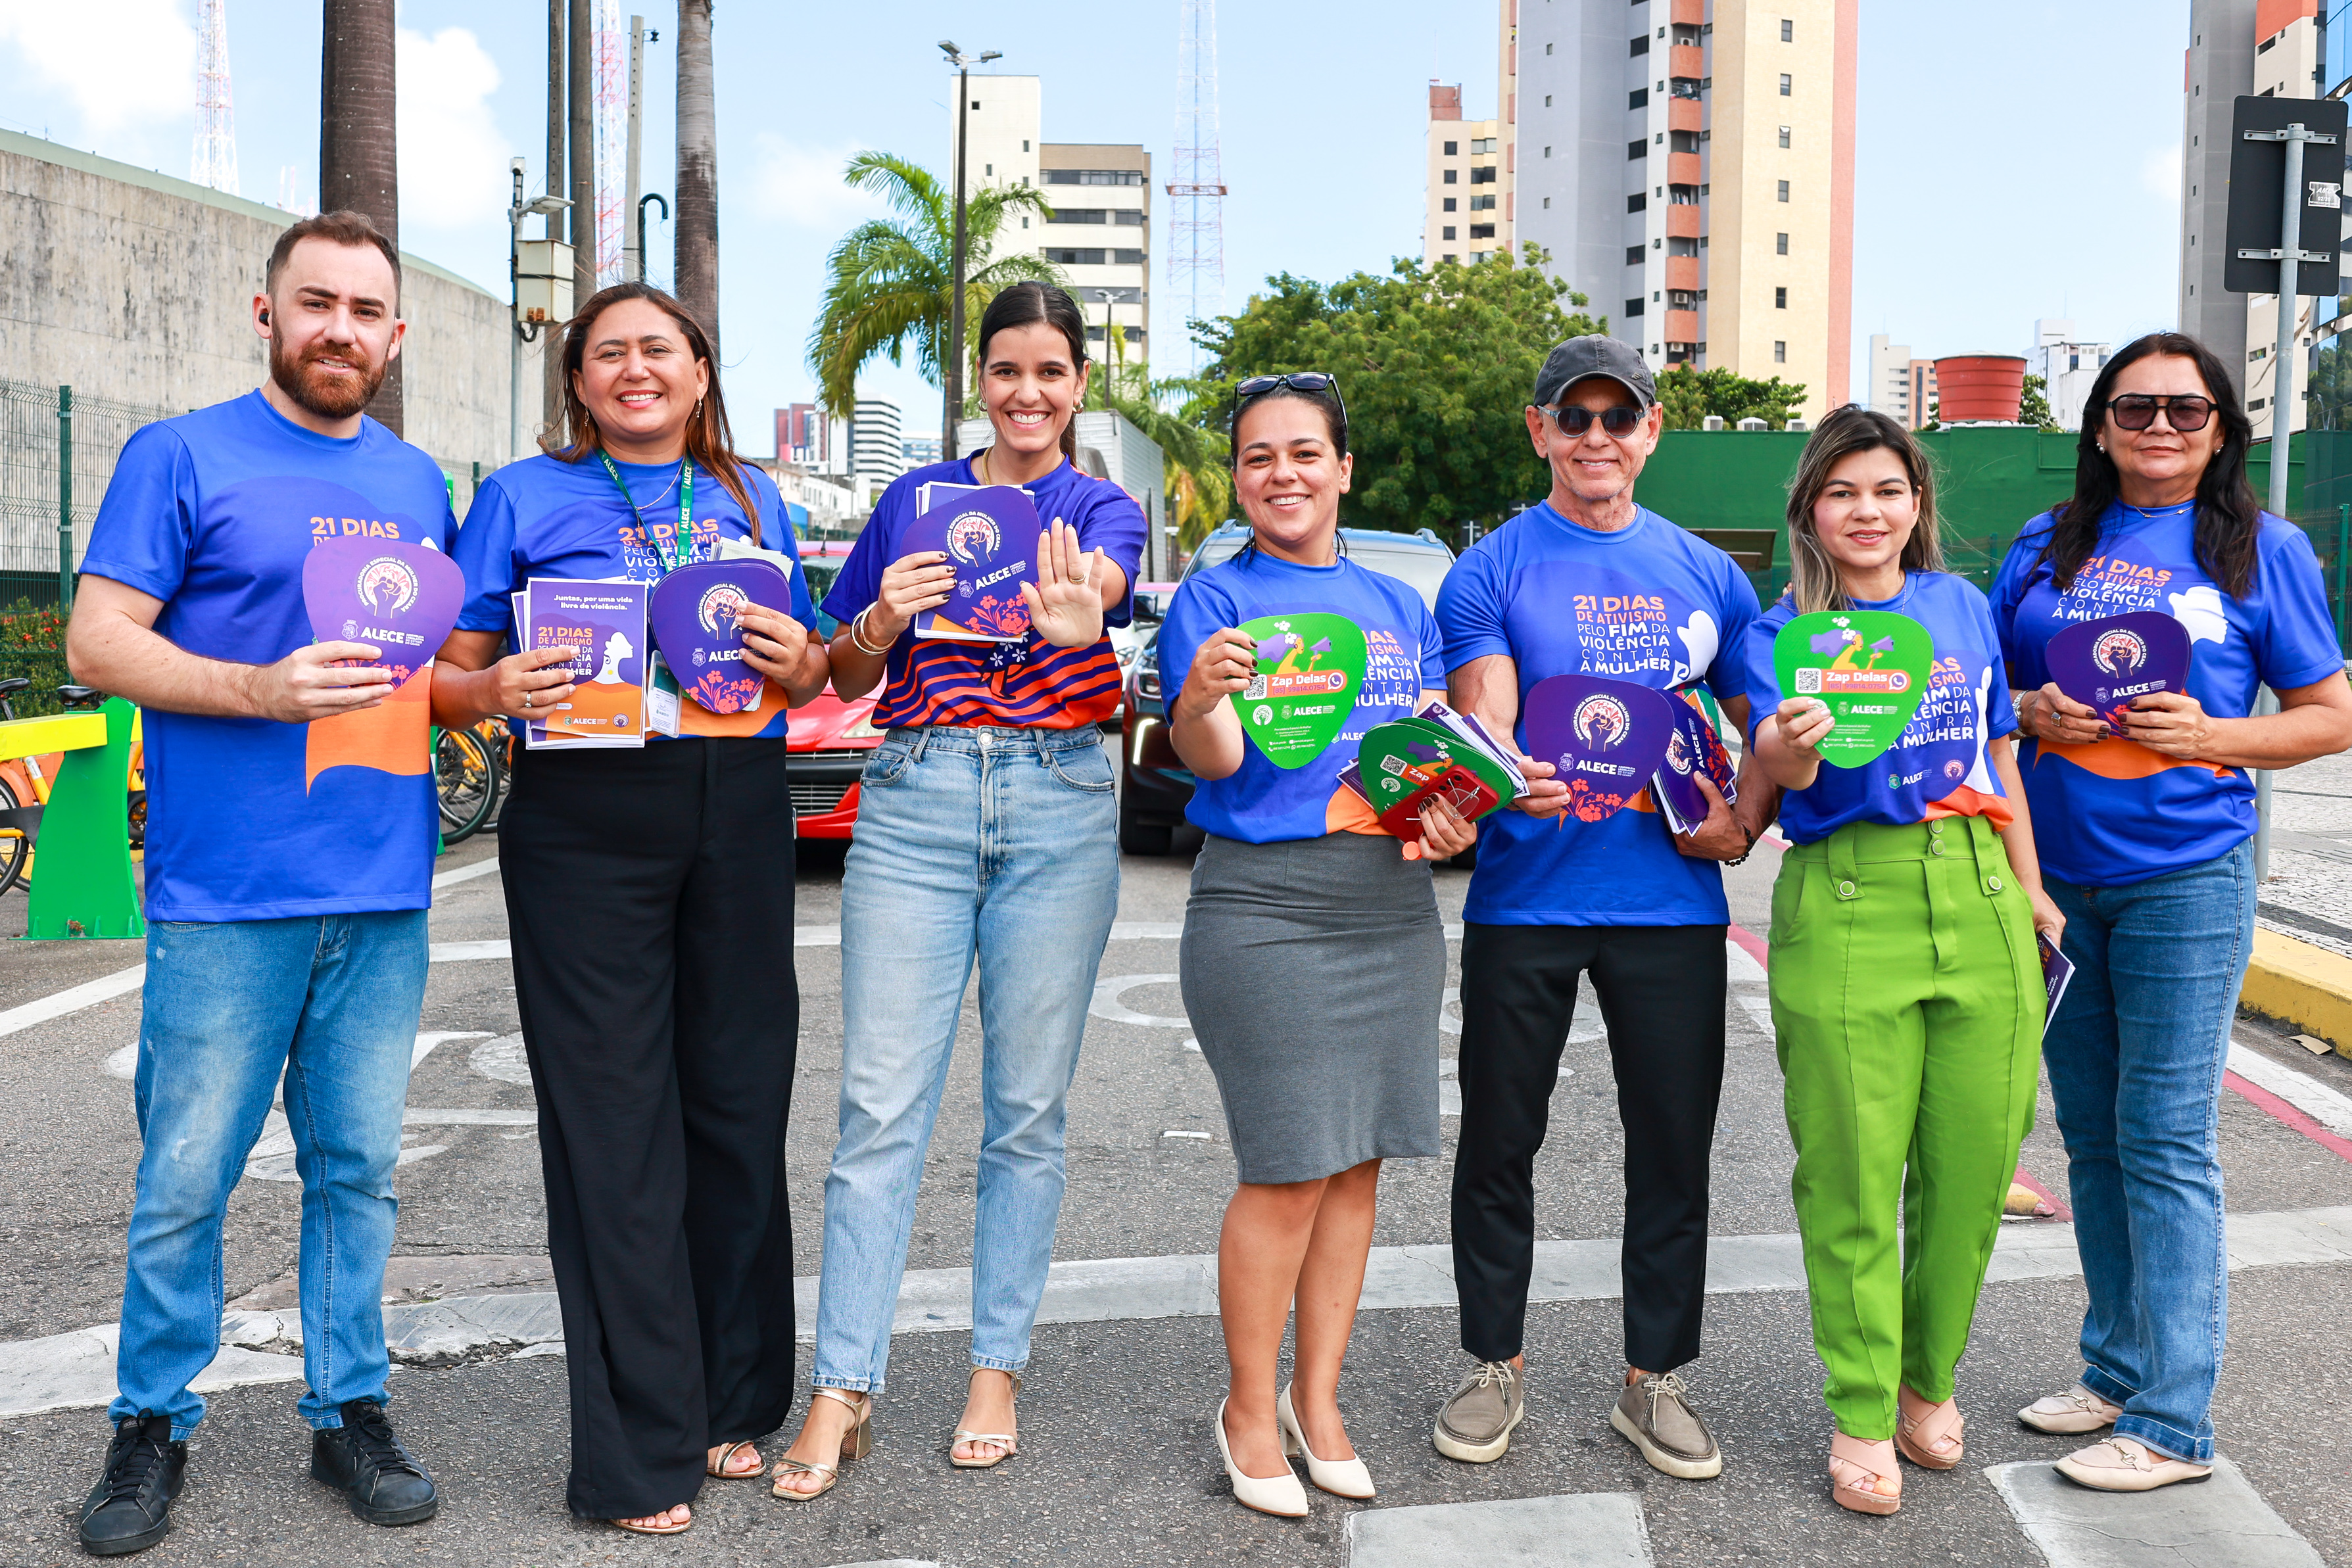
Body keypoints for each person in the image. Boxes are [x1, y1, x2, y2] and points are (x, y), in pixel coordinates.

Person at [64, 212, 444, 1557]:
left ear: (395, 336)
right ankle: (150, 1421)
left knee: (358, 1171)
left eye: (365, 310)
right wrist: (255, 689)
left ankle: (350, 1409)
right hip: (228, 893)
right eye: (316, 301)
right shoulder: (180, 455)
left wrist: (505, 686)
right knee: (187, 1176)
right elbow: (98, 640)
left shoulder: (419, 482)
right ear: (266, 312)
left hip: (382, 887)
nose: (340, 328)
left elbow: (427, 671)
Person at [437, 281, 830, 1535]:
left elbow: (812, 663)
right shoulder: (520, 497)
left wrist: (803, 661)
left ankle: (732, 1393)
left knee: (737, 1100)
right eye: (606, 352)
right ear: (578, 383)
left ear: (700, 371)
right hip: (586, 815)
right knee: (613, 1123)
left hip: (738, 799)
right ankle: (633, 1450)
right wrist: (494, 687)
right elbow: (444, 672)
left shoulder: (755, 496)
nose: (634, 368)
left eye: (658, 348)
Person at [771, 281, 1144, 1500]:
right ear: (976, 381)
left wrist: (1083, 617)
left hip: (1057, 799)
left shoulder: (1099, 507)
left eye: (1051, 372)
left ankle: (996, 1370)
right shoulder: (911, 499)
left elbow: (1106, 620)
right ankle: (843, 1384)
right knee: (878, 1107)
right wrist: (884, 615)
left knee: (1026, 1111)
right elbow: (840, 668)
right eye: (1005, 371)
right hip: (917, 795)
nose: (1027, 393)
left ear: (1078, 384)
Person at [1989, 333, 2352, 1492]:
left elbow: (2328, 712)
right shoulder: (2044, 542)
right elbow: (1978, 687)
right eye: (2134, 407)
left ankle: (2172, 1420)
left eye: (2185, 411)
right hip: (2056, 881)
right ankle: (2114, 1367)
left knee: (2163, 1136)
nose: (2158, 426)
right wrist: (2029, 710)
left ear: (2220, 430)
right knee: (2091, 1134)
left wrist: (2213, 735)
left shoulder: (2260, 546)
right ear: (2098, 425)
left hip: (2184, 876)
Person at [1431, 334, 1775, 1478]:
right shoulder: (1488, 570)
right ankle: (1493, 1362)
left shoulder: (1709, 574)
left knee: (1672, 1148)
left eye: (1615, 417)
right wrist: (1496, 767)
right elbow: (1485, 706)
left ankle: (1653, 1379)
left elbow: (1767, 726)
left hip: (1669, 904)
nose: (1594, 437)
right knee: (1498, 1141)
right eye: (1570, 417)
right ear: (1538, 431)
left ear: (1650, 430)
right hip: (1524, 898)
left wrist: (1744, 822)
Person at [1159, 373, 1473, 1517]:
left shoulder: (1398, 604)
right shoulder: (1214, 594)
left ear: (1343, 469)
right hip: (1265, 908)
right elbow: (1215, 760)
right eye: (1258, 457)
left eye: (1304, 452)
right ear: (1238, 479)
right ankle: (1248, 1407)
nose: (1281, 473)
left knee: (1356, 1162)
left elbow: (1424, 758)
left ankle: (1317, 1397)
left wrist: (1449, 814)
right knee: (1288, 1165)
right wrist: (1200, 696)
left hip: (1389, 906)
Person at [1747, 406, 2061, 1515]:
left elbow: (1996, 754)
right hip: (1847, 895)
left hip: (1977, 887)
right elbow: (1772, 772)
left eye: (1885, 489)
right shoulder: (1780, 630)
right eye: (1841, 492)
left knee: (1973, 1168)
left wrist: (2029, 886)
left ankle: (1928, 1378)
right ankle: (1859, 1406)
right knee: (1849, 1174)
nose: (1865, 511)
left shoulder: (1960, 607)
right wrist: (1784, 746)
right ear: (1810, 510)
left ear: (1915, 503)